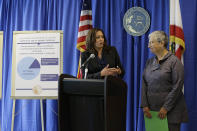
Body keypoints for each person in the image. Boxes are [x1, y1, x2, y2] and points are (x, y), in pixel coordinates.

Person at [141, 31, 188, 131]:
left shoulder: (174, 61)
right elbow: (144, 83)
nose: (149, 46)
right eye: (149, 43)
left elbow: (177, 86)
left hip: (171, 112)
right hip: (152, 112)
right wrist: (144, 105)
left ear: (162, 43)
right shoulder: (149, 62)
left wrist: (166, 107)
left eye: (151, 42)